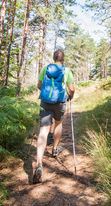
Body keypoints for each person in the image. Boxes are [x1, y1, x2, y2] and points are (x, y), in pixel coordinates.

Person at [33, 49, 75, 184]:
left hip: (45, 101)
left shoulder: (46, 68)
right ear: (63, 59)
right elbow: (72, 88)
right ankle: (55, 150)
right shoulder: (66, 70)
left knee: (43, 129)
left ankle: (39, 164)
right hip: (60, 101)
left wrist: (46, 94)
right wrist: (70, 96)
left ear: (53, 58)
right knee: (58, 122)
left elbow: (39, 85)